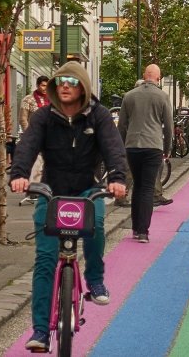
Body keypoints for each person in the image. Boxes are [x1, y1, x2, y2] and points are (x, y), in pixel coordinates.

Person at [10, 63, 128, 352]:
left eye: (71, 82)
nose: (64, 86)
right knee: (45, 261)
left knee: (97, 223)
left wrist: (117, 178)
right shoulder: (44, 117)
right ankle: (39, 330)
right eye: (60, 81)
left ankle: (95, 280)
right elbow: (28, 145)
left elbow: (113, 147)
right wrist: (19, 174)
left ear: (83, 87)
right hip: (51, 191)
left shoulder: (98, 116)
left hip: (87, 188)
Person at [118, 64, 173, 243]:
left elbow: (122, 125)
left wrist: (122, 145)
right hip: (153, 146)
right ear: (159, 78)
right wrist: (167, 148)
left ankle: (135, 228)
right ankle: (143, 231)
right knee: (148, 188)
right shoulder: (162, 96)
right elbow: (168, 126)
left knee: (137, 186)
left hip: (132, 146)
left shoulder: (129, 96)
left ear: (144, 75)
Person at [17, 76, 52, 205]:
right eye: (43, 86)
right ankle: (33, 191)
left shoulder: (52, 100)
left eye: (47, 86)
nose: (45, 89)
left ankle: (43, 189)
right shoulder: (29, 100)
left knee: (46, 165)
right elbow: (23, 119)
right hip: (34, 137)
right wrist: (29, 135)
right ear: (37, 85)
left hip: (49, 138)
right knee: (35, 165)